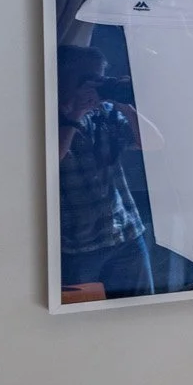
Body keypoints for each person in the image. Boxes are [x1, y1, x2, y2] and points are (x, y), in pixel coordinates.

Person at [56, 44, 154, 297]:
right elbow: (51, 158)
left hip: (126, 233)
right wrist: (76, 112)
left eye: (101, 80)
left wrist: (125, 105)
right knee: (80, 322)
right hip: (77, 245)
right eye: (89, 80)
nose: (98, 86)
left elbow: (152, 142)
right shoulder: (50, 116)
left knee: (141, 315)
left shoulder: (106, 113)